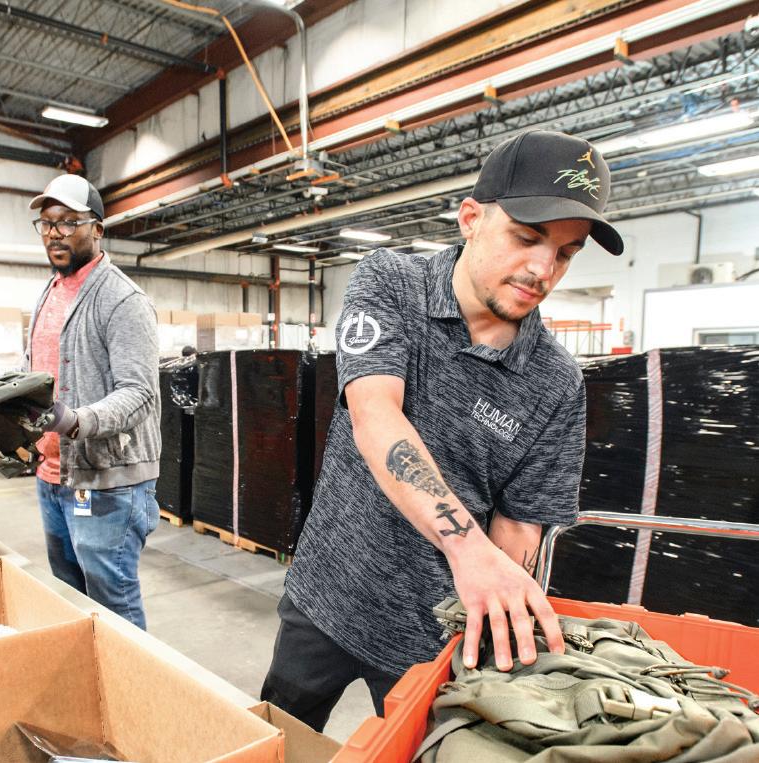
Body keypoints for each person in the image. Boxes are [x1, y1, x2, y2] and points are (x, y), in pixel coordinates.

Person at [261, 130, 625, 731]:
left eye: (566, 252)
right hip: (326, 596)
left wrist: (490, 632)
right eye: (527, 237)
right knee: (274, 739)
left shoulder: (556, 381)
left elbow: (520, 526)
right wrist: (467, 548)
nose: (542, 269)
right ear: (471, 219)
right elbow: (376, 414)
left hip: (432, 642)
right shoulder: (390, 284)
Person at [0, 174, 162, 630]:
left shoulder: (123, 300)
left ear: (98, 229)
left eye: (68, 222)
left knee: (114, 610)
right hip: (52, 477)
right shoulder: (51, 293)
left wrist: (73, 420)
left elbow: (139, 393)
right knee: (72, 602)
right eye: (46, 224)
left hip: (105, 484)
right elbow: (24, 379)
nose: (55, 233)